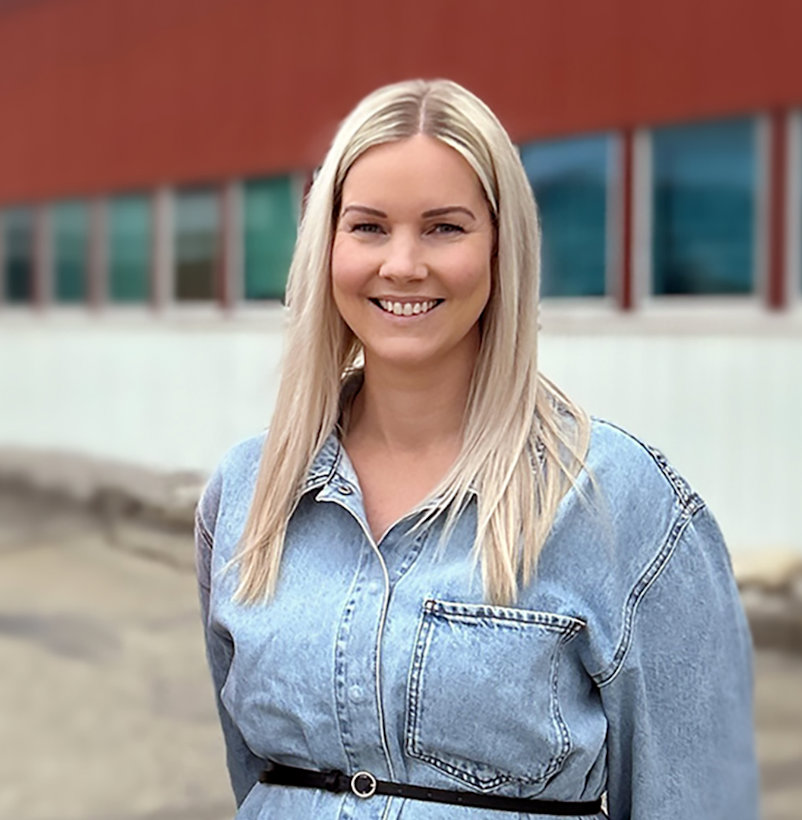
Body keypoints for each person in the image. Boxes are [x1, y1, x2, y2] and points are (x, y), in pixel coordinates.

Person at [195, 78, 759, 819]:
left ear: (502, 248)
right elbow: (259, 780)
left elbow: (702, 798)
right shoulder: (248, 489)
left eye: (444, 228)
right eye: (367, 226)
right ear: (325, 245)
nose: (402, 264)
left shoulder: (619, 504)